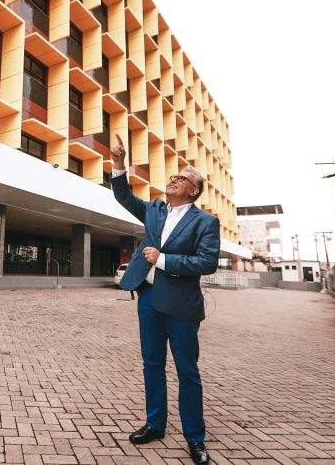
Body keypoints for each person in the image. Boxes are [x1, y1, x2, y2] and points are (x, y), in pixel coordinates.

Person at [110, 134, 219, 465]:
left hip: (182, 305)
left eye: (182, 178)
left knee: (187, 371)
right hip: (148, 299)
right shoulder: (155, 209)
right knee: (152, 364)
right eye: (174, 175)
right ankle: (155, 424)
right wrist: (118, 163)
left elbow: (207, 262)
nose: (174, 179)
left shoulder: (206, 222)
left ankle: (195, 438)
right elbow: (124, 196)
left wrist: (163, 260)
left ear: (193, 191)